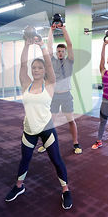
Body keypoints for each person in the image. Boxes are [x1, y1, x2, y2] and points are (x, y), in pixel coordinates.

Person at [5, 36, 72, 209]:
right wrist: (26, 45)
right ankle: (19, 186)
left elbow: (50, 64)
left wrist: (42, 45)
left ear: (44, 71)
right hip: (29, 129)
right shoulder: (25, 83)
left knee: (57, 160)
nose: (36, 70)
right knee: (25, 160)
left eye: (39, 67)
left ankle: (65, 191)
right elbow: (22, 64)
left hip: (47, 129)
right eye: (34, 67)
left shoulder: (49, 85)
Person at [37, 21, 82, 154]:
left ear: (65, 52)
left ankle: (76, 143)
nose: (61, 53)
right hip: (54, 96)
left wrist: (63, 29)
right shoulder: (52, 61)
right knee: (50, 121)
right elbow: (49, 46)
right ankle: (46, 143)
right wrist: (51, 30)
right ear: (57, 53)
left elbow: (70, 44)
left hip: (66, 95)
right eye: (59, 51)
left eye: (62, 51)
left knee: (71, 120)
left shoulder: (70, 61)